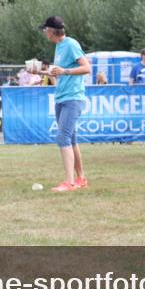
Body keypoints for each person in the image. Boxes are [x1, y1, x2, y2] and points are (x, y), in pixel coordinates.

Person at [38, 16, 91, 192]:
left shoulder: (70, 44)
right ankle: (81, 179)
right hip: (61, 97)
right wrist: (38, 72)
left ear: (52, 31)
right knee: (71, 139)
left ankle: (69, 183)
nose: (44, 33)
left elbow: (87, 68)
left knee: (63, 138)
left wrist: (65, 71)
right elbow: (57, 73)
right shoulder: (59, 46)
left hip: (72, 98)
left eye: (45, 29)